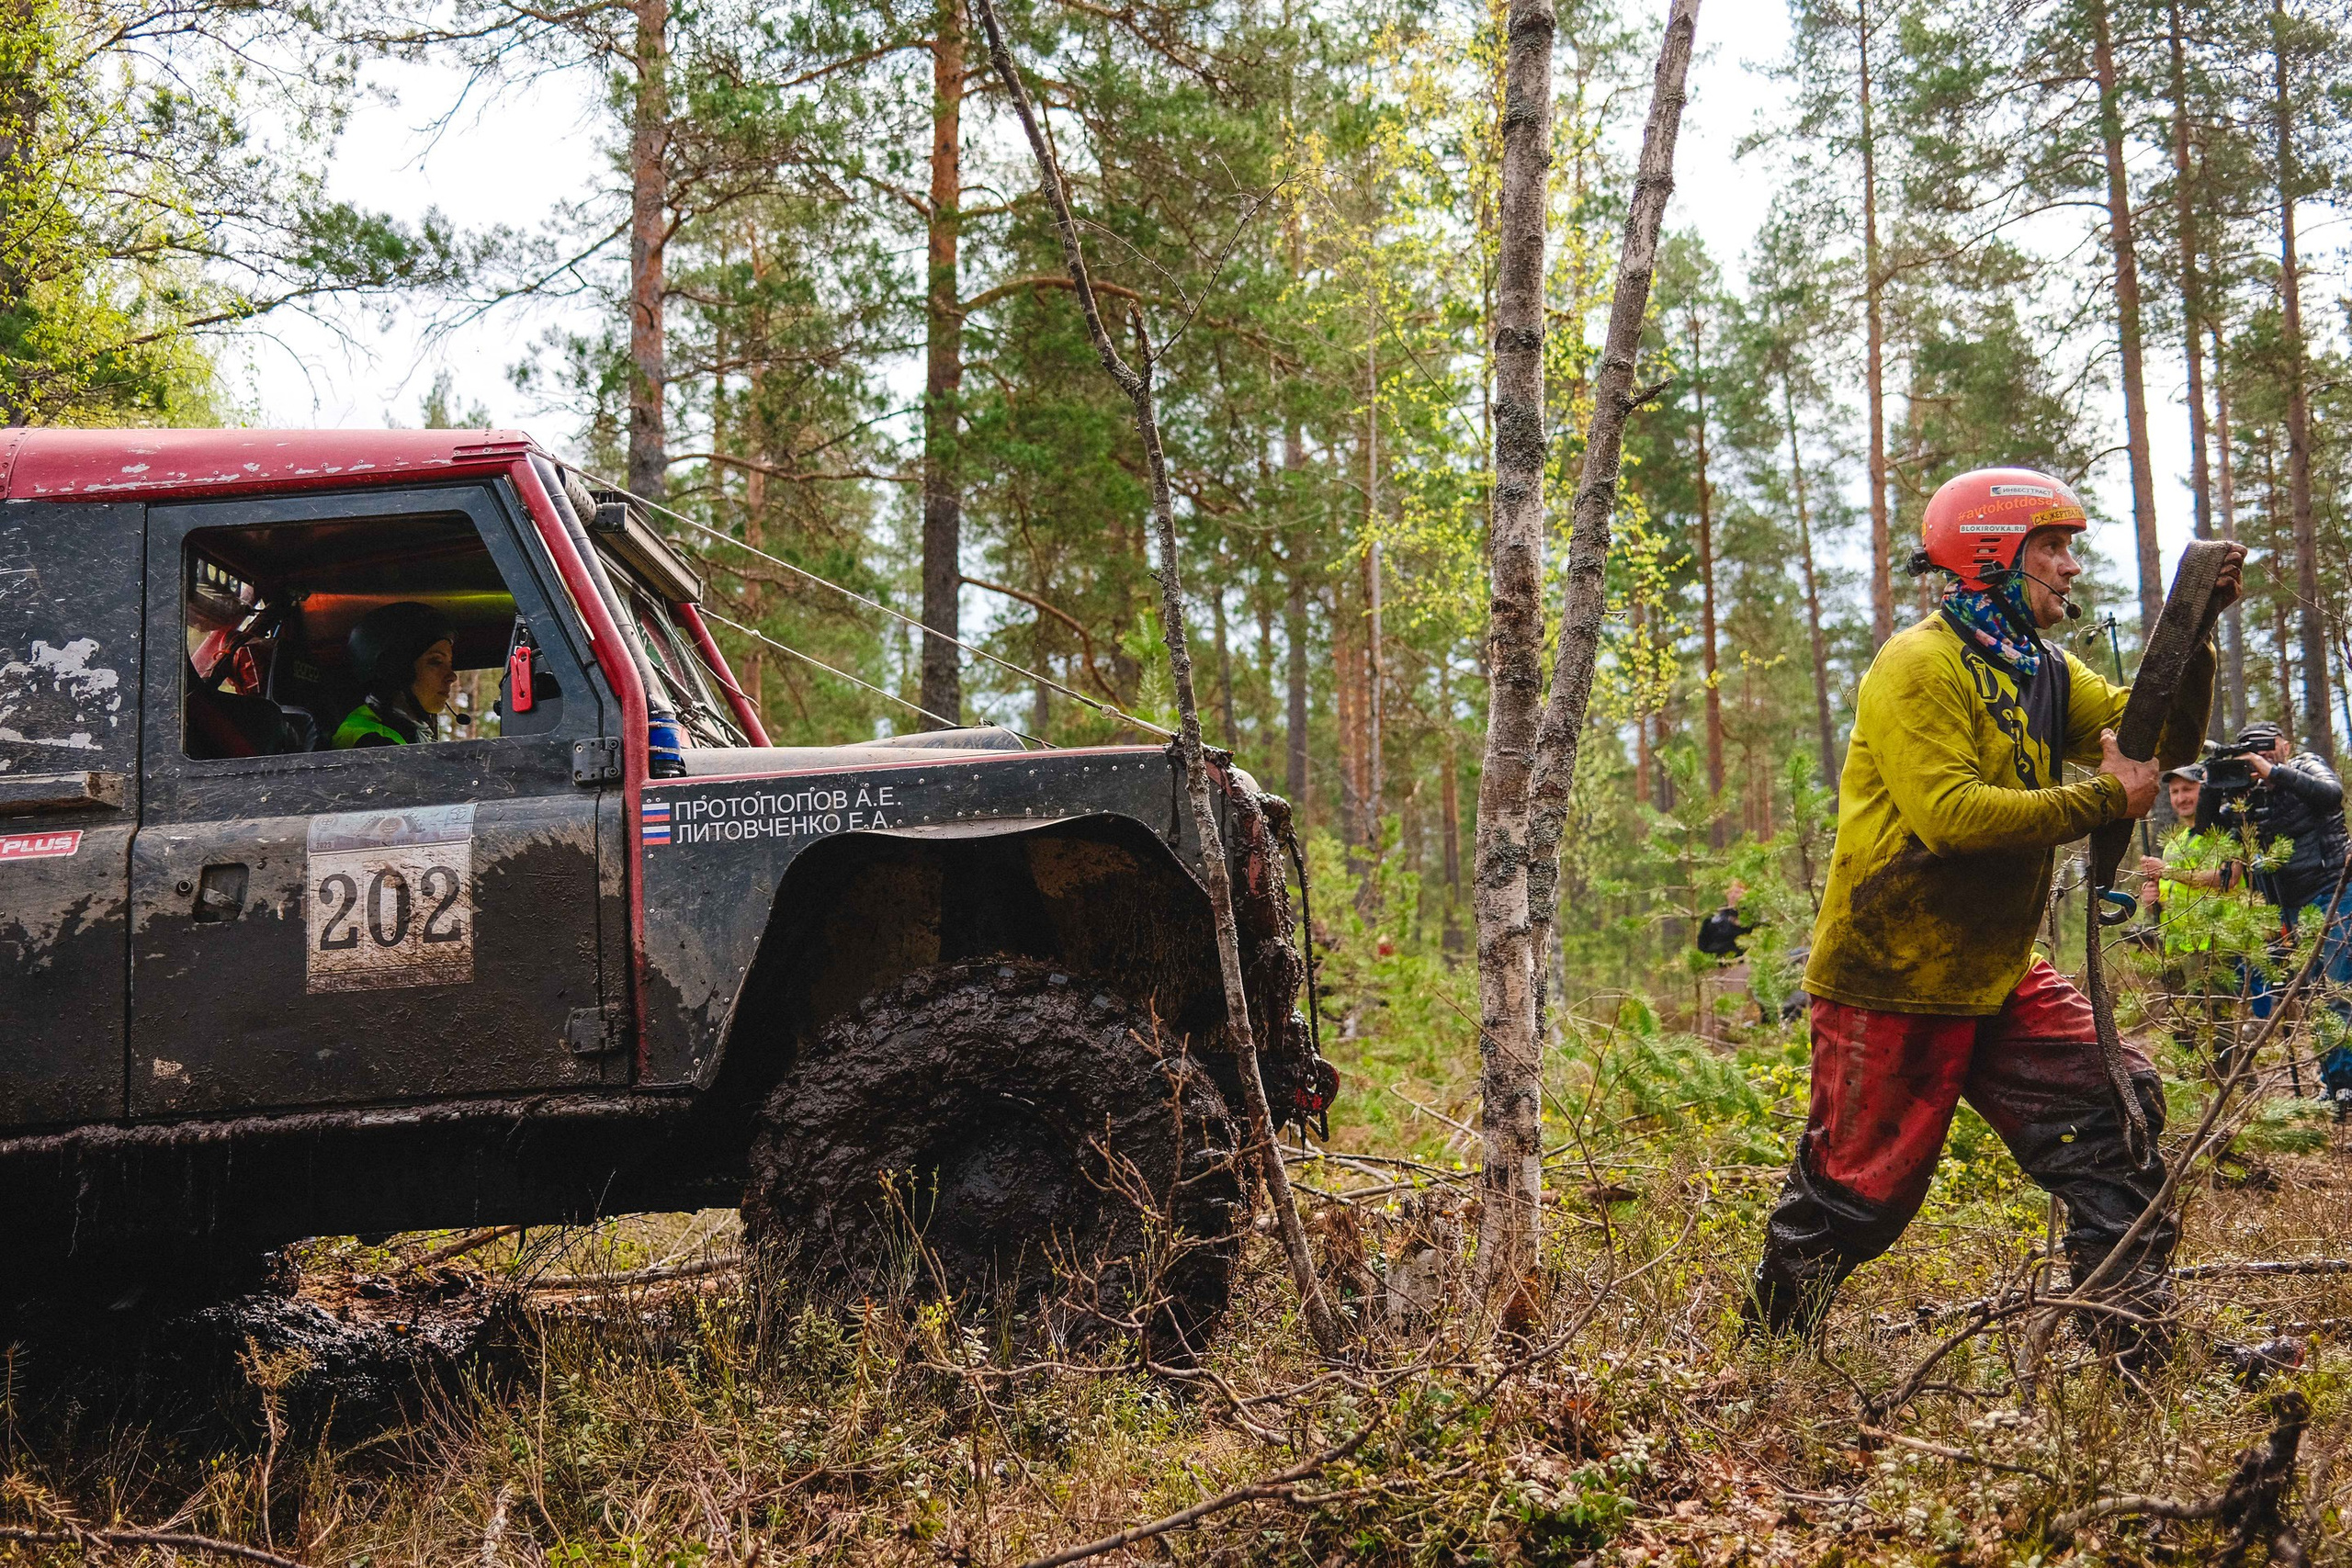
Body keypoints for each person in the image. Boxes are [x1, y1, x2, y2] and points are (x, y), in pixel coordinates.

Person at [1746, 466, 2244, 1354]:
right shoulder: (1919, 664)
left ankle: (2132, 1345)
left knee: (2114, 1102)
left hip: (1997, 973)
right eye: (2052, 548)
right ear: (1994, 557)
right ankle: (1764, 1361)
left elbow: (2156, 739)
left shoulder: (2042, 668)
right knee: (1858, 1196)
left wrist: (2194, 639)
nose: (2069, 567)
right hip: (1892, 974)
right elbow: (1953, 816)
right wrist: (2103, 801)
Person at [2144, 724, 2352, 1107]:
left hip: (2333, 887)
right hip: (2286, 902)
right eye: (2251, 751)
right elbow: (2209, 830)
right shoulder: (2245, 796)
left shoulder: (2306, 767)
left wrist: (2274, 773)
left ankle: (2343, 1083)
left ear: (2283, 746)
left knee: (2339, 988)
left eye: (2266, 749)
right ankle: (2335, 1081)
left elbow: (2331, 795)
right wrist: (2211, 783)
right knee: (2316, 994)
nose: (2261, 758)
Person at [333, 601, 458, 749]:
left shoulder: (412, 733)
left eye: (449, 664)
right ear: (395, 670)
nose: (452, 677)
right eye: (436, 661)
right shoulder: (369, 741)